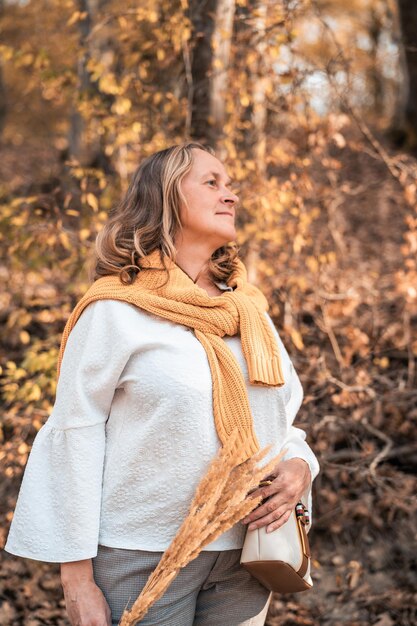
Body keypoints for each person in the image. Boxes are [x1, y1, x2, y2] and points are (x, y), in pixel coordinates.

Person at [5, 141, 319, 626]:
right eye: (212, 183)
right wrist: (76, 580)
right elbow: (74, 435)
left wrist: (301, 466)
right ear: (166, 197)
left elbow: (279, 421)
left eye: (230, 185)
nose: (231, 195)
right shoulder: (114, 310)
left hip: (244, 551)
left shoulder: (247, 312)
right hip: (142, 553)